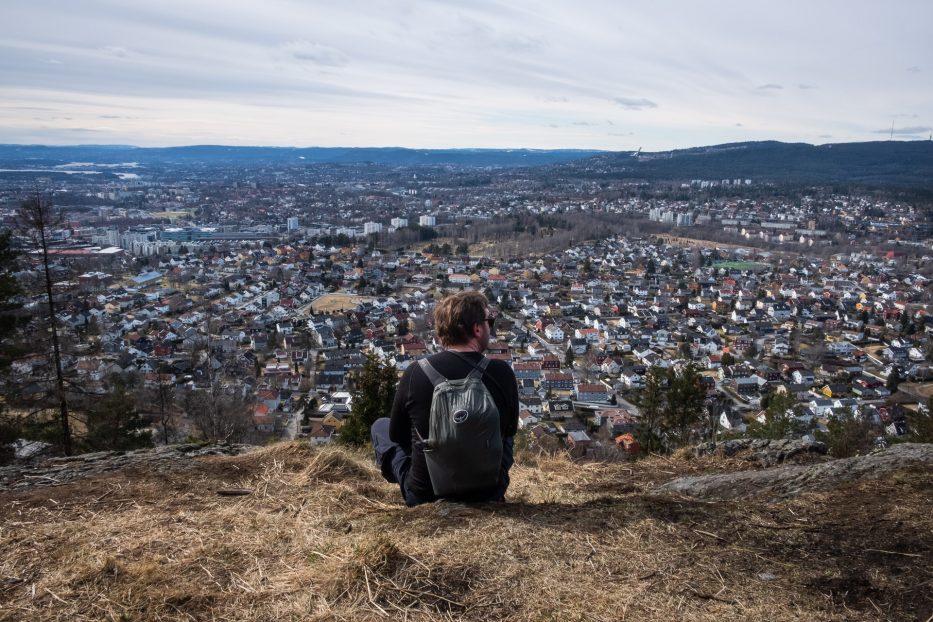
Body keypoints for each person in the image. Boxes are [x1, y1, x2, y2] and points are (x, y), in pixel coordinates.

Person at [371, 291, 519, 506]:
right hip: (489, 491)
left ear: (441, 334)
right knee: (504, 434)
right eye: (490, 321)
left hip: (425, 495)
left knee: (380, 426)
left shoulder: (415, 373)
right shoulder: (501, 372)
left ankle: (420, 476)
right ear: (477, 328)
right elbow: (510, 430)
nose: (491, 327)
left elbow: (397, 435)